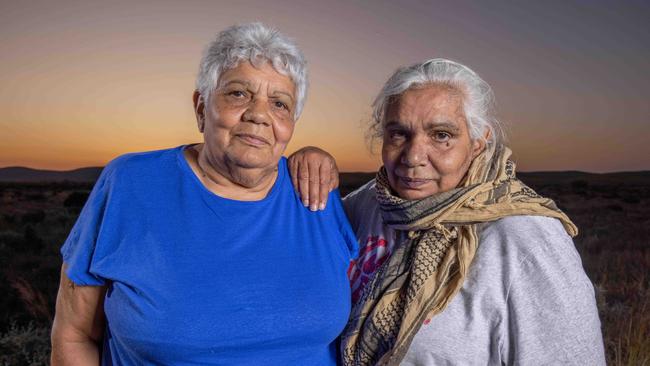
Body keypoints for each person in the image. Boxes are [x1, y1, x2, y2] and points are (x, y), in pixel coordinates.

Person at [50, 22, 358, 365]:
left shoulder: (315, 192)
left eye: (279, 103)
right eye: (238, 93)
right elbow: (73, 335)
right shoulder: (130, 183)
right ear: (201, 108)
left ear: (291, 125)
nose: (259, 114)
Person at [289, 58, 605, 365]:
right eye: (398, 134)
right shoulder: (369, 204)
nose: (413, 157)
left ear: (479, 142)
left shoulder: (525, 238)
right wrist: (311, 160)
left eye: (441, 135)